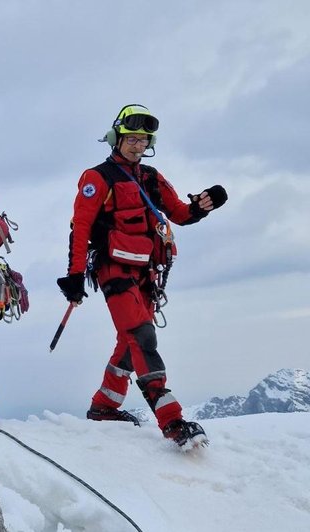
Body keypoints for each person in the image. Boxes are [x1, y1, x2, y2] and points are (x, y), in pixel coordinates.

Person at [57, 104, 228, 447]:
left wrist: (203, 205)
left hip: (148, 274)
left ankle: (104, 407)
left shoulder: (151, 177)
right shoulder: (96, 178)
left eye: (144, 139)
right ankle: (172, 421)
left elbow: (179, 213)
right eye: (132, 137)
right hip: (112, 269)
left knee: (130, 340)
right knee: (141, 336)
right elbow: (82, 228)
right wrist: (74, 277)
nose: (137, 144)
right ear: (117, 137)